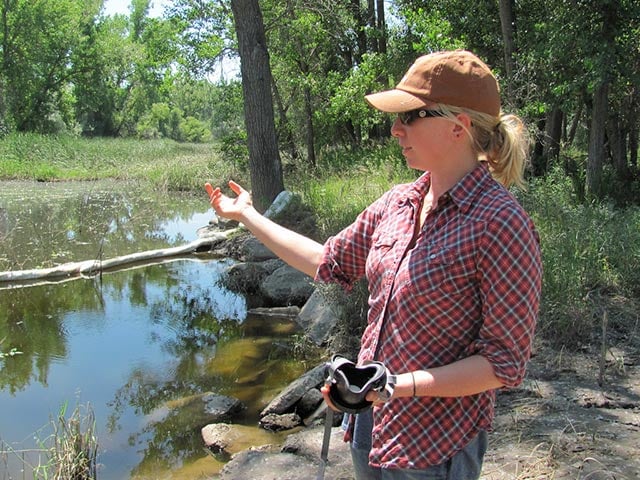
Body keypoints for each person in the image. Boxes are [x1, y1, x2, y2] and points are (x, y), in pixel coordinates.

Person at [205, 49, 542, 480]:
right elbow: (326, 261)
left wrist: (394, 386)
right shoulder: (398, 204)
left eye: (410, 116)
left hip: (435, 447)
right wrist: (248, 216)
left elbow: (502, 364)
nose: (395, 129)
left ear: (458, 127)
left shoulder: (501, 225)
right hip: (370, 426)